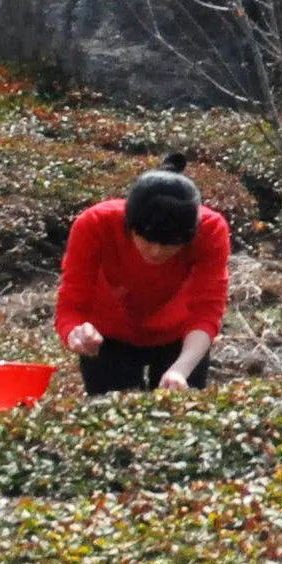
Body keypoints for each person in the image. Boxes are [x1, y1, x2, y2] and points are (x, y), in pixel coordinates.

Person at [55, 158, 230, 396]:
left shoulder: (210, 229)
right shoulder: (95, 223)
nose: (157, 252)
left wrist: (180, 370)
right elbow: (72, 303)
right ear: (129, 226)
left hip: (181, 337)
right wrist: (74, 332)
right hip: (108, 337)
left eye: (170, 245)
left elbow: (207, 310)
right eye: (147, 241)